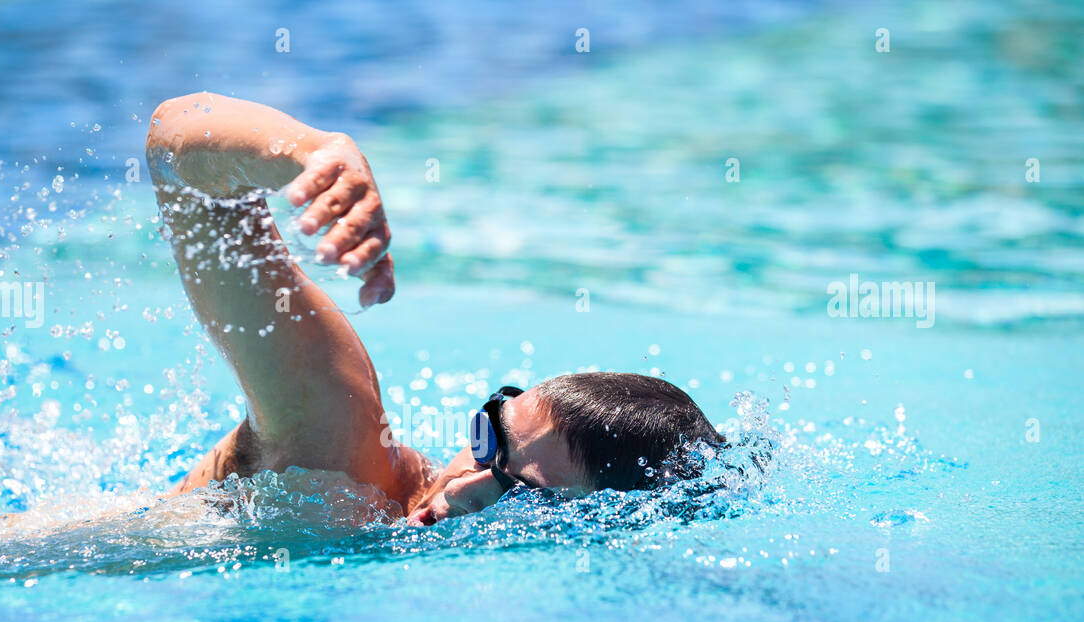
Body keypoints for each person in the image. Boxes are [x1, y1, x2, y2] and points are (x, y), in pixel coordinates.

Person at [147, 93, 723, 526]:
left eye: (518, 491)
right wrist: (311, 152)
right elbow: (171, 146)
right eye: (487, 438)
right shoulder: (339, 454)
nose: (460, 486)